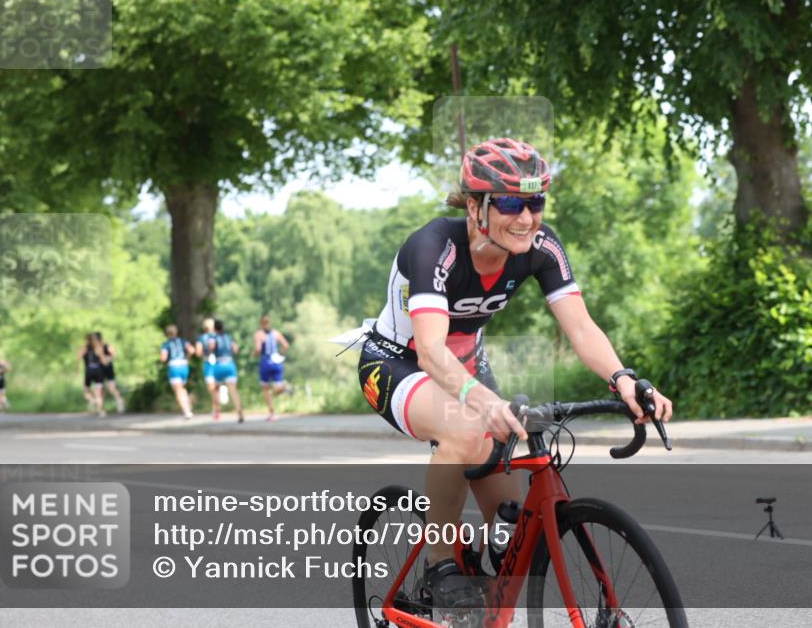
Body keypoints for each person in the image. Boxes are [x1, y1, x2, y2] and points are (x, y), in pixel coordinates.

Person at [355, 138, 674, 611]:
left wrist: (624, 379)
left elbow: (581, 328)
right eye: (509, 202)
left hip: (467, 363)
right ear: (474, 205)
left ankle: (479, 601)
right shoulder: (433, 247)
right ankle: (439, 564)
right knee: (465, 430)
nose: (526, 217)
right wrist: (481, 402)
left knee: (510, 532)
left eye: (535, 201)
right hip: (397, 361)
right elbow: (430, 350)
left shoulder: (540, 246)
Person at [253, 315, 291, 422]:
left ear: (261, 324)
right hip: (276, 361)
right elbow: (286, 345)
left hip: (266, 362)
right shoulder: (276, 333)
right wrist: (280, 354)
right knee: (277, 386)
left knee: (265, 388)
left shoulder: (259, 334)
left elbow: (258, 349)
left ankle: (272, 413)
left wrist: (254, 354)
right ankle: (283, 388)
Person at [209, 319, 244, 423]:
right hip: (230, 364)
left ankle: (217, 410)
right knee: (233, 390)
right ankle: (240, 413)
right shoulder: (229, 337)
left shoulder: (213, 337)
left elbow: (211, 348)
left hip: (219, 364)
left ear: (215, 328)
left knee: (215, 389)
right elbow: (236, 349)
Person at [160, 325, 194, 419]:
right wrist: (187, 358)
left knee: (178, 391)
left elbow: (163, 358)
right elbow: (191, 350)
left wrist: (164, 360)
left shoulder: (166, 344)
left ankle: (186, 411)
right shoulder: (182, 341)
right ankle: (188, 406)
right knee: (182, 388)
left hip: (174, 366)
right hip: (184, 365)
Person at [195, 318, 221, 420]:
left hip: (208, 363)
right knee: (217, 387)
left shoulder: (201, 338)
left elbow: (198, 352)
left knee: (212, 389)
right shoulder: (218, 335)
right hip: (219, 362)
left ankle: (215, 409)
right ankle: (217, 408)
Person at [95, 331, 126, 413]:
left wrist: (108, 359)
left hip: (107, 369)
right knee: (99, 389)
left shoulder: (106, 346)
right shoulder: (95, 347)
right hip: (99, 370)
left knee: (111, 388)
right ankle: (101, 409)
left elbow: (113, 355)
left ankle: (120, 402)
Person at [79, 333, 107, 416]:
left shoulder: (84, 348)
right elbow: (104, 362)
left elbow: (79, 358)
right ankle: (101, 410)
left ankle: (92, 400)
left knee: (86, 389)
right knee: (98, 392)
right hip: (98, 371)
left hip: (89, 371)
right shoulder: (98, 348)